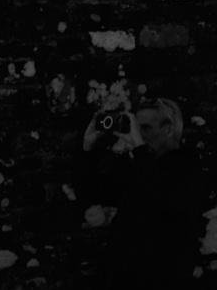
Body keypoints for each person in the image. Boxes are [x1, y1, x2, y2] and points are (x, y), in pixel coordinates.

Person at [78, 97, 207, 289]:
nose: (139, 135)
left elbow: (161, 198)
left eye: (145, 128)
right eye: (136, 128)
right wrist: (87, 149)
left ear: (168, 129)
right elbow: (94, 193)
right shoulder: (138, 164)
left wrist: (139, 149)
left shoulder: (187, 166)